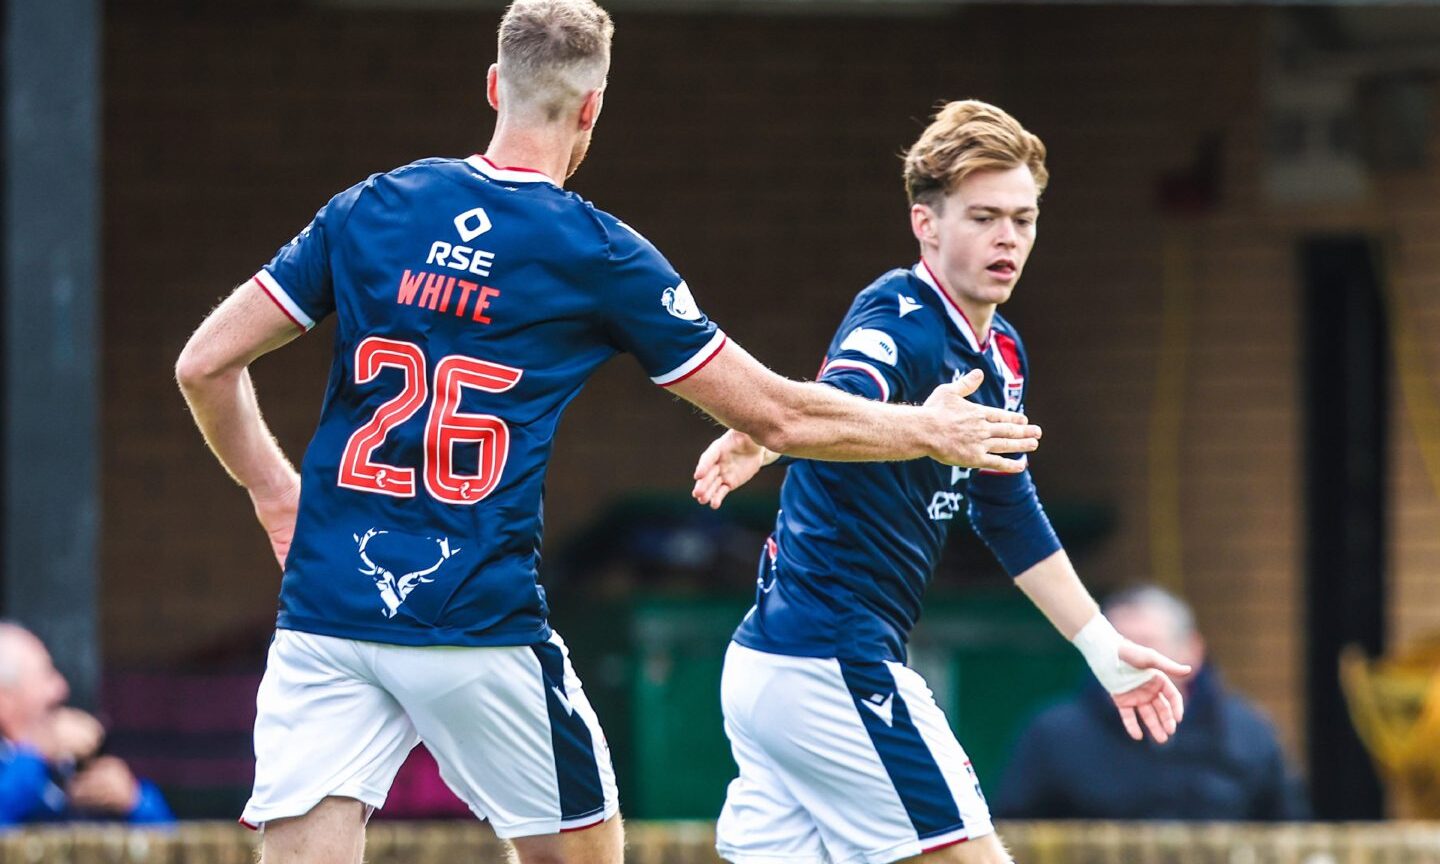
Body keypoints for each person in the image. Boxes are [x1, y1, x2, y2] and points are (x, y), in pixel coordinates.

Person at [173, 3, 1044, 862]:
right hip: (475, 618)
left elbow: (203, 366)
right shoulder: (600, 254)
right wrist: (926, 427)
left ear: (493, 87)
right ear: (592, 108)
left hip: (327, 605)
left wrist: (273, 492)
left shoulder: (371, 207)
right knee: (586, 850)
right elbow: (778, 413)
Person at [690, 100, 1189, 864]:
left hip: (779, 669)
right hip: (833, 665)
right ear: (926, 224)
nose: (1008, 239)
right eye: (984, 217)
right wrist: (774, 435)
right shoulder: (900, 317)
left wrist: (1099, 646)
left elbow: (1007, 508)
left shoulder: (1004, 352)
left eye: (1023, 219)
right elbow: (852, 389)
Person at [993, 585, 1309, 821]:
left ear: (1193, 650)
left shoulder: (1248, 732)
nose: (1131, 659)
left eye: (1146, 644)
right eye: (1118, 645)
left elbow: (1289, 832)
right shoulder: (1054, 734)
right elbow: (1012, 830)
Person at [0, 623, 173, 825]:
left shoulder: (68, 763)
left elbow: (173, 847)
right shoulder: (29, 764)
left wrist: (134, 801)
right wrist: (37, 753)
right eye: (46, 675)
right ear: (4, 699)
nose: (61, 688)